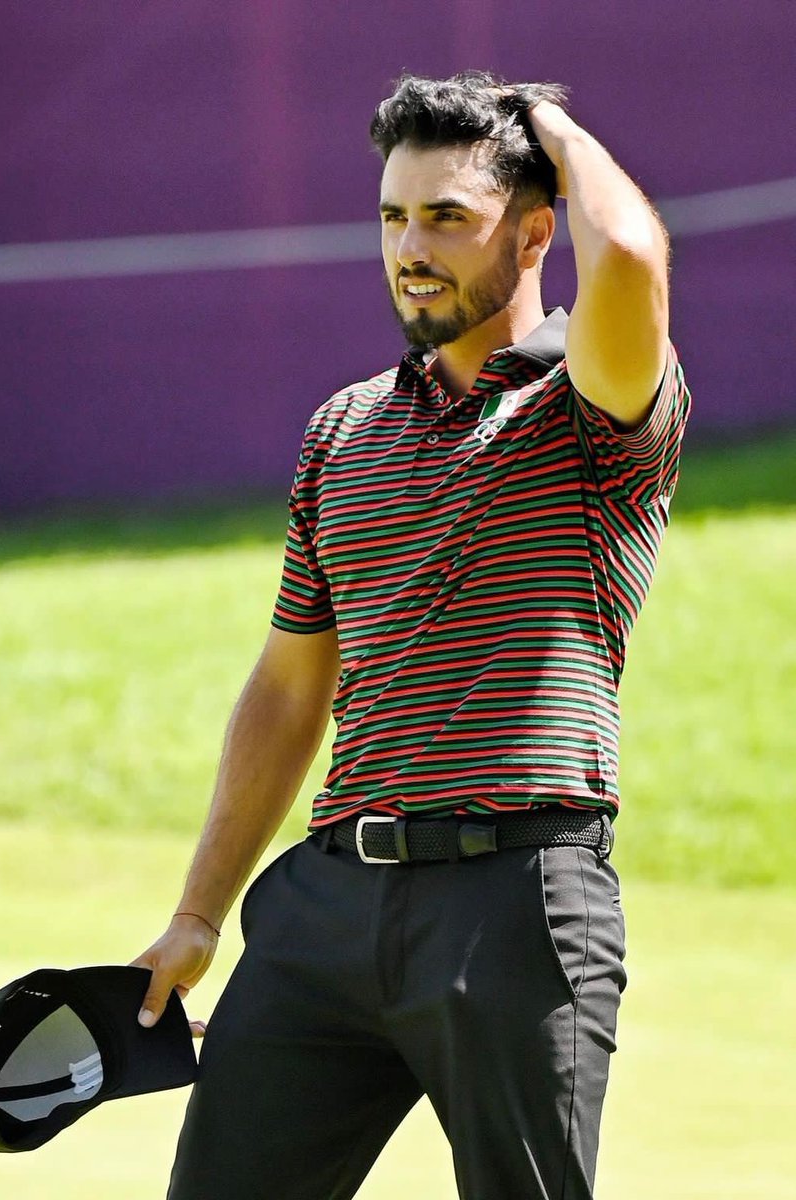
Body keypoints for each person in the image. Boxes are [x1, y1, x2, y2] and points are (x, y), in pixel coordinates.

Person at [132, 71, 691, 1199]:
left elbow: (628, 257)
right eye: (393, 215)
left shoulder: (598, 411)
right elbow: (292, 687)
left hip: (517, 902)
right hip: (327, 905)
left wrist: (556, 126)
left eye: (447, 216)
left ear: (536, 231)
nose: (410, 247)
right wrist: (198, 916)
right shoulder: (342, 428)